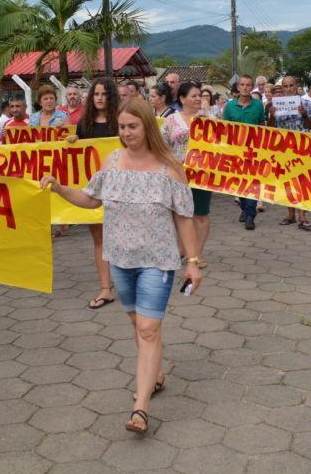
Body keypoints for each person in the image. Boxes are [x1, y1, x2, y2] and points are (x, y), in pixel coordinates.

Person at [43, 97, 202, 435]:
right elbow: (91, 199)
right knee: (138, 324)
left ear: (148, 127)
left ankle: (140, 407)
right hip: (119, 259)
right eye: (122, 127)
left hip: (157, 262)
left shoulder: (170, 168)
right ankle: (156, 375)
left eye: (133, 127)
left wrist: (192, 261)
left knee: (148, 329)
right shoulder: (112, 161)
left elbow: (185, 218)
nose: (126, 133)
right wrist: (58, 188)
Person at [66, 77, 121, 309]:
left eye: (104, 94)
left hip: (120, 190)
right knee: (99, 239)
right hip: (95, 191)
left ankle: (132, 281)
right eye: (96, 94)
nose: (99, 98)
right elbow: (79, 157)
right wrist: (73, 141)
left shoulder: (122, 120)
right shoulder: (84, 123)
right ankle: (106, 289)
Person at [162, 81, 212, 267]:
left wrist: (208, 119)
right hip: (178, 174)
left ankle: (198, 253)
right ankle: (183, 249)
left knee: (201, 213)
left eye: (200, 95)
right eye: (194, 96)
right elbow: (162, 146)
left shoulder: (208, 118)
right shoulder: (171, 120)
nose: (198, 98)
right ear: (182, 99)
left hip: (202, 173)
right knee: (181, 213)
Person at [266, 75, 311, 231]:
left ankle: (303, 215)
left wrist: (304, 114)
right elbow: (271, 128)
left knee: (302, 181)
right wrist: (272, 116)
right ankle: (290, 214)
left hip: (302, 148)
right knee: (286, 181)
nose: (288, 89)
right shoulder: (275, 104)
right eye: (285, 86)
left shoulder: (306, 104)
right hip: (283, 148)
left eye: (291, 85)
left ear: (297, 86)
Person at [223, 74, 266, 230]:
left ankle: (250, 216)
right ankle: (244, 208)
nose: (245, 87)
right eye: (242, 84)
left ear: (252, 86)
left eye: (248, 85)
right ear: (238, 87)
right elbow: (225, 130)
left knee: (253, 183)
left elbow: (262, 125)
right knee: (239, 184)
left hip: (254, 152)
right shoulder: (229, 107)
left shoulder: (258, 105)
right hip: (236, 152)